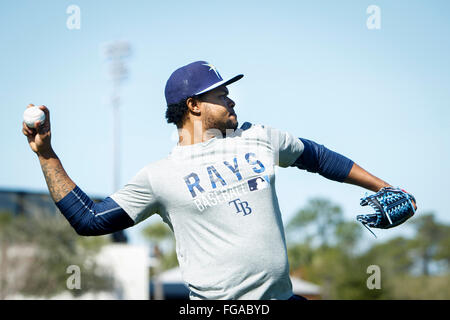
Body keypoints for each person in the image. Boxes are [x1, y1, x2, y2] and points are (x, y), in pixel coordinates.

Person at [22, 60, 416, 300]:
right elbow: (89, 220)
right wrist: (46, 154)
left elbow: (319, 157)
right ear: (193, 106)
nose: (232, 100)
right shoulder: (159, 176)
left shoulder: (258, 137)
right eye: (222, 94)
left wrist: (383, 187)